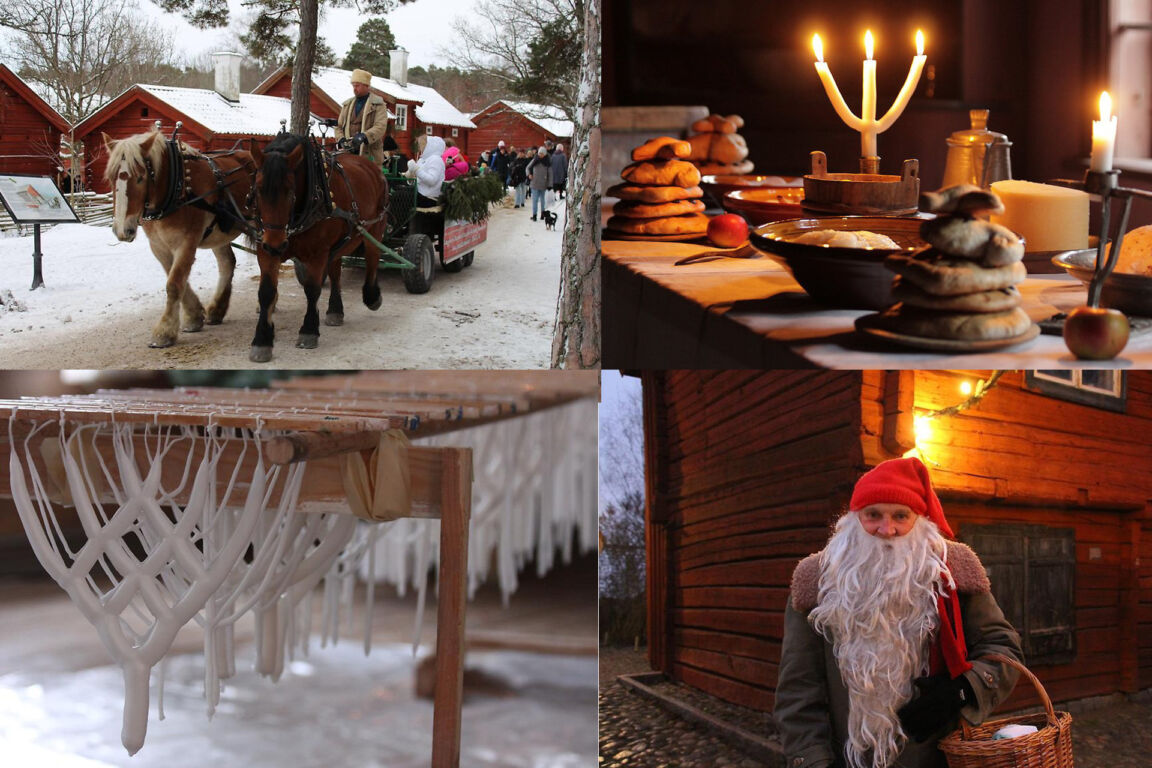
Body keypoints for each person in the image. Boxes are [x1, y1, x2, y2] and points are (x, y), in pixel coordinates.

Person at [775, 457, 1023, 768]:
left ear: (919, 520)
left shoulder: (953, 572)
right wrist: (814, 761)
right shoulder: (817, 581)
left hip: (937, 756)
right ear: (854, 518)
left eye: (900, 516)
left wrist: (961, 691)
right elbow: (798, 688)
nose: (886, 529)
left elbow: (1003, 647)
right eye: (873, 515)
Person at [334, 69, 391, 165]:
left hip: (370, 154)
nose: (354, 88)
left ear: (366, 86)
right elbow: (338, 126)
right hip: (349, 154)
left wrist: (365, 136)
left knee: (372, 175)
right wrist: (341, 139)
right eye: (353, 86)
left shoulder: (378, 104)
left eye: (357, 86)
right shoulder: (347, 105)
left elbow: (380, 126)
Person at [526, 146, 552, 221]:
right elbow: (527, 168)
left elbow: (550, 174)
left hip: (543, 184)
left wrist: (550, 184)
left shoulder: (547, 162)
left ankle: (542, 214)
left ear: (545, 154)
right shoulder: (535, 160)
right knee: (535, 200)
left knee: (542, 200)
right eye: (539, 153)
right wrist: (529, 174)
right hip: (534, 183)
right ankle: (534, 215)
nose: (540, 155)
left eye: (542, 153)